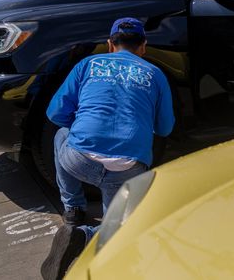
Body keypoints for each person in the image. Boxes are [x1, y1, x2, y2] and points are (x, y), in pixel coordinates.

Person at [41, 17, 175, 280]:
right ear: (143, 46)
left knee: (61, 135)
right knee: (118, 230)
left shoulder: (87, 64)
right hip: (126, 168)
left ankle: (73, 210)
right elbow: (165, 128)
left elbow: (55, 113)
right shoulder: (155, 74)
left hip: (79, 159)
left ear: (110, 44)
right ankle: (85, 236)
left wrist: (82, 125)